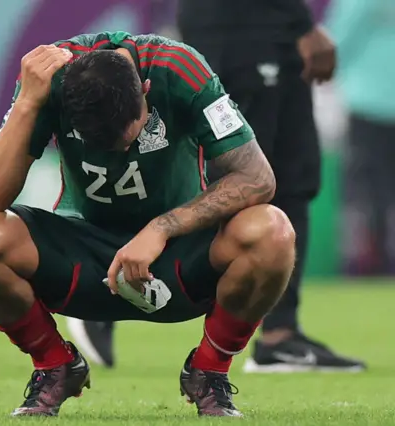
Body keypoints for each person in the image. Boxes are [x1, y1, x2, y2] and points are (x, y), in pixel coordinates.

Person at [0, 31, 296, 418]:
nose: (122, 151)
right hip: (83, 254)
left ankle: (209, 372)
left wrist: (161, 228)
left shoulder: (181, 69)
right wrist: (29, 102)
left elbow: (258, 178)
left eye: (130, 136)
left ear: (146, 90)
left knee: (272, 231)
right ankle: (55, 366)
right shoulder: (50, 80)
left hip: (178, 254)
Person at [69, 1, 367, 373]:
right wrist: (301, 21)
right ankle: (107, 290)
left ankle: (280, 334)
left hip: (271, 31)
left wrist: (295, 24)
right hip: (242, 28)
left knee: (293, 177)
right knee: (236, 176)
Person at [328, 0, 395, 275]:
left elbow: (336, 42)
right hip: (371, 101)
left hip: (367, 102)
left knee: (365, 188)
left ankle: (366, 260)